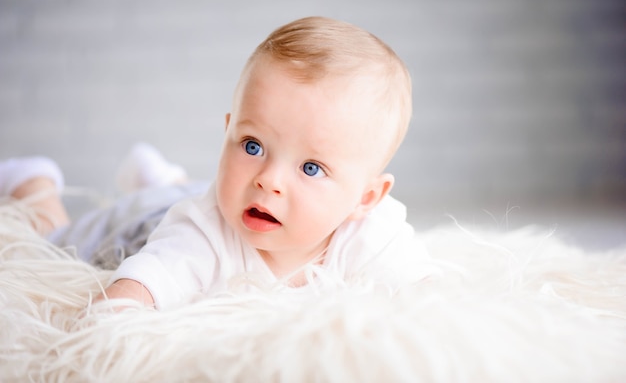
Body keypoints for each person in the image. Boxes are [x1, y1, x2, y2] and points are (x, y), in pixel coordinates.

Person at [0, 16, 432, 310]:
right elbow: (139, 286)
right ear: (228, 132)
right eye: (251, 145)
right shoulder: (201, 232)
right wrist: (116, 316)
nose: (269, 181)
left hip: (198, 196)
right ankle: (34, 183)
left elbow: (428, 297)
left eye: (311, 168)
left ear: (366, 198)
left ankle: (164, 178)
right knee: (53, 242)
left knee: (188, 193)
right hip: (145, 222)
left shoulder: (375, 235)